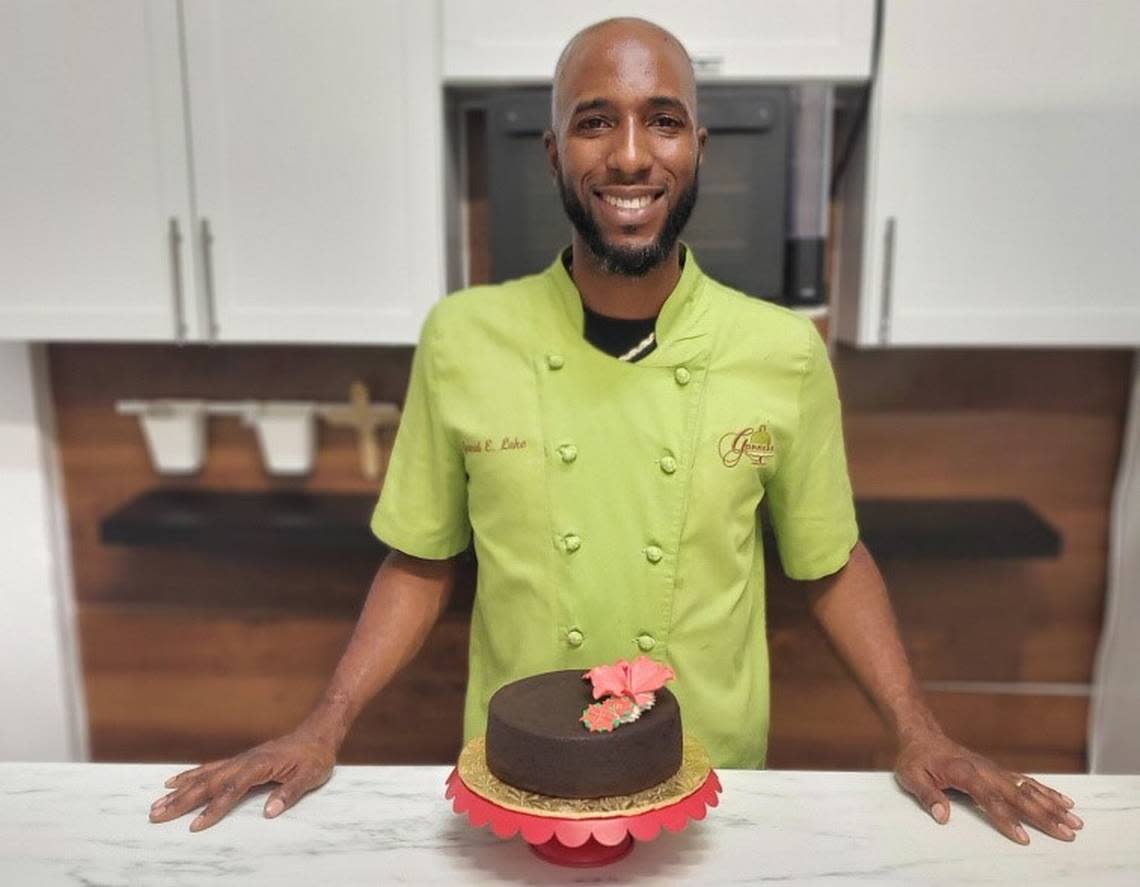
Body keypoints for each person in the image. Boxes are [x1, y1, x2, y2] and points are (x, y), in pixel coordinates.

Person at [149, 17, 1082, 845]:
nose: (631, 155)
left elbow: (830, 562)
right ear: (554, 152)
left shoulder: (781, 352)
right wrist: (323, 725)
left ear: (697, 148)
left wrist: (918, 729)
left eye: (662, 120)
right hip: (516, 783)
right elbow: (421, 558)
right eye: (596, 121)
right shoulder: (463, 339)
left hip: (711, 785)